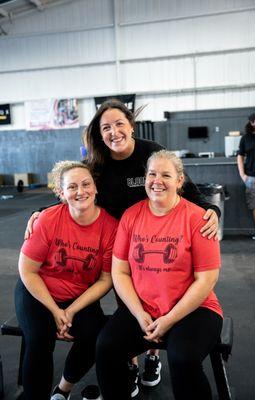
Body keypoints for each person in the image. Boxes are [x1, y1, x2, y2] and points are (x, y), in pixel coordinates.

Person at [24, 99, 221, 397]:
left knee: (175, 341)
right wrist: (42, 212)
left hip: (167, 237)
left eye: (119, 124)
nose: (114, 132)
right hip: (126, 238)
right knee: (122, 322)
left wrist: (211, 211)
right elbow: (78, 190)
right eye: (106, 128)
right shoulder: (99, 162)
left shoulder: (152, 153)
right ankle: (129, 368)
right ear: (99, 134)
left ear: (131, 125)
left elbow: (187, 190)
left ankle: (152, 360)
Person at [96, 150, 223, 400]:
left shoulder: (198, 218)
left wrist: (169, 319)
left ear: (179, 180)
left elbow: (206, 279)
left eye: (166, 175)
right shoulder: (131, 216)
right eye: (152, 174)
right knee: (106, 347)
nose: (157, 180)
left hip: (193, 310)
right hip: (144, 308)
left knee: (182, 358)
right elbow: (119, 271)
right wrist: (138, 313)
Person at [15, 161, 118, 400]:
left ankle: (62, 391)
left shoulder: (110, 227)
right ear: (61, 194)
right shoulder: (48, 219)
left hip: (78, 296)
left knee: (96, 336)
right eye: (72, 187)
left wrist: (70, 311)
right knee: (39, 340)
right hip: (38, 292)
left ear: (95, 188)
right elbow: (27, 271)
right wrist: (54, 310)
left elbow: (105, 279)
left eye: (86, 184)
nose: (80, 191)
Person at [237, 112, 255, 240]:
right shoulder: (245, 138)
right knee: (254, 205)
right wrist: (242, 174)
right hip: (252, 177)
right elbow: (240, 157)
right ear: (252, 122)